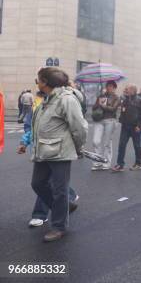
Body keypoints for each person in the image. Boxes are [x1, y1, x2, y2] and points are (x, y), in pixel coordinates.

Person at [30, 67, 88, 242]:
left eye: (38, 79)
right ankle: (65, 207)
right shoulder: (48, 98)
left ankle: (59, 227)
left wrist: (78, 148)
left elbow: (79, 127)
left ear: (45, 82)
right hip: (43, 150)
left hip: (60, 152)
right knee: (37, 184)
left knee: (59, 190)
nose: (37, 82)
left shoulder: (67, 100)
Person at [111, 84, 141, 172]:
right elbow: (121, 110)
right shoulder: (124, 99)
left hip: (135, 127)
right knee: (121, 145)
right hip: (125, 126)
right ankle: (120, 164)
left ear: (133, 90)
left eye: (128, 89)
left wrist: (140, 126)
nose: (126, 90)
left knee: (137, 146)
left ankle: (138, 164)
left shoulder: (140, 100)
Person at [91, 81, 120, 170]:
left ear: (114, 88)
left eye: (111, 86)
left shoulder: (116, 97)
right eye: (107, 86)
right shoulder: (101, 96)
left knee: (107, 143)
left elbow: (113, 109)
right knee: (96, 141)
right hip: (99, 120)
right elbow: (94, 107)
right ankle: (97, 162)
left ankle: (106, 162)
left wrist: (103, 105)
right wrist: (98, 103)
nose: (109, 88)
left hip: (110, 120)